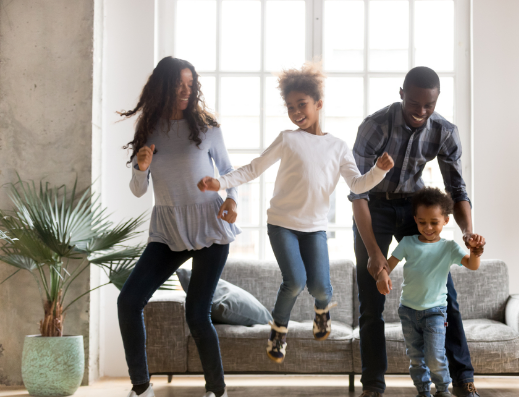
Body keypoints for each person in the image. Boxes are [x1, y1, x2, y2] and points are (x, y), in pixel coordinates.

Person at [197, 62, 395, 364]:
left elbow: (357, 184)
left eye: (301, 104)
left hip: (314, 227)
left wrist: (378, 172)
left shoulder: (338, 146)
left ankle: (322, 310)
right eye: (290, 107)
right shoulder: (288, 139)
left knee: (319, 286)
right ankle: (278, 331)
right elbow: (254, 167)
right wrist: (220, 182)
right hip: (281, 224)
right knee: (294, 280)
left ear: (319, 103)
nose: (296, 112)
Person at [350, 66, 486, 397]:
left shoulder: (444, 131)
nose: (420, 112)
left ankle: (463, 378)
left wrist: (468, 231)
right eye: (414, 104)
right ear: (401, 94)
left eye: (429, 106)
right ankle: (373, 385)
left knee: (446, 294)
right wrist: (374, 253)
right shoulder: (374, 126)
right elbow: (357, 193)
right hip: (375, 207)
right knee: (371, 300)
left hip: (415, 208)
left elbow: (457, 189)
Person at [117, 56, 238, 397]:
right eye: (178, 85)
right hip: (168, 230)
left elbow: (229, 173)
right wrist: (141, 167)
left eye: (190, 85)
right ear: (163, 87)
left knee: (197, 314)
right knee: (128, 301)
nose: (185, 91)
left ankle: (217, 390)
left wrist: (232, 201)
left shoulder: (207, 127)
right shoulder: (149, 128)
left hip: (210, 226)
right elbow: (139, 190)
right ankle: (141, 388)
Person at [376, 187, 483, 397]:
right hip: (408, 312)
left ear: (445, 220)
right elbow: (388, 266)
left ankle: (443, 390)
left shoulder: (449, 247)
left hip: (435, 312)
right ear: (415, 219)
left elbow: (472, 265)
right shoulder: (407, 243)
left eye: (434, 222)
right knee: (416, 358)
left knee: (435, 356)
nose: (428, 227)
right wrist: (382, 276)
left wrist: (475, 251)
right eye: (422, 222)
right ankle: (423, 392)